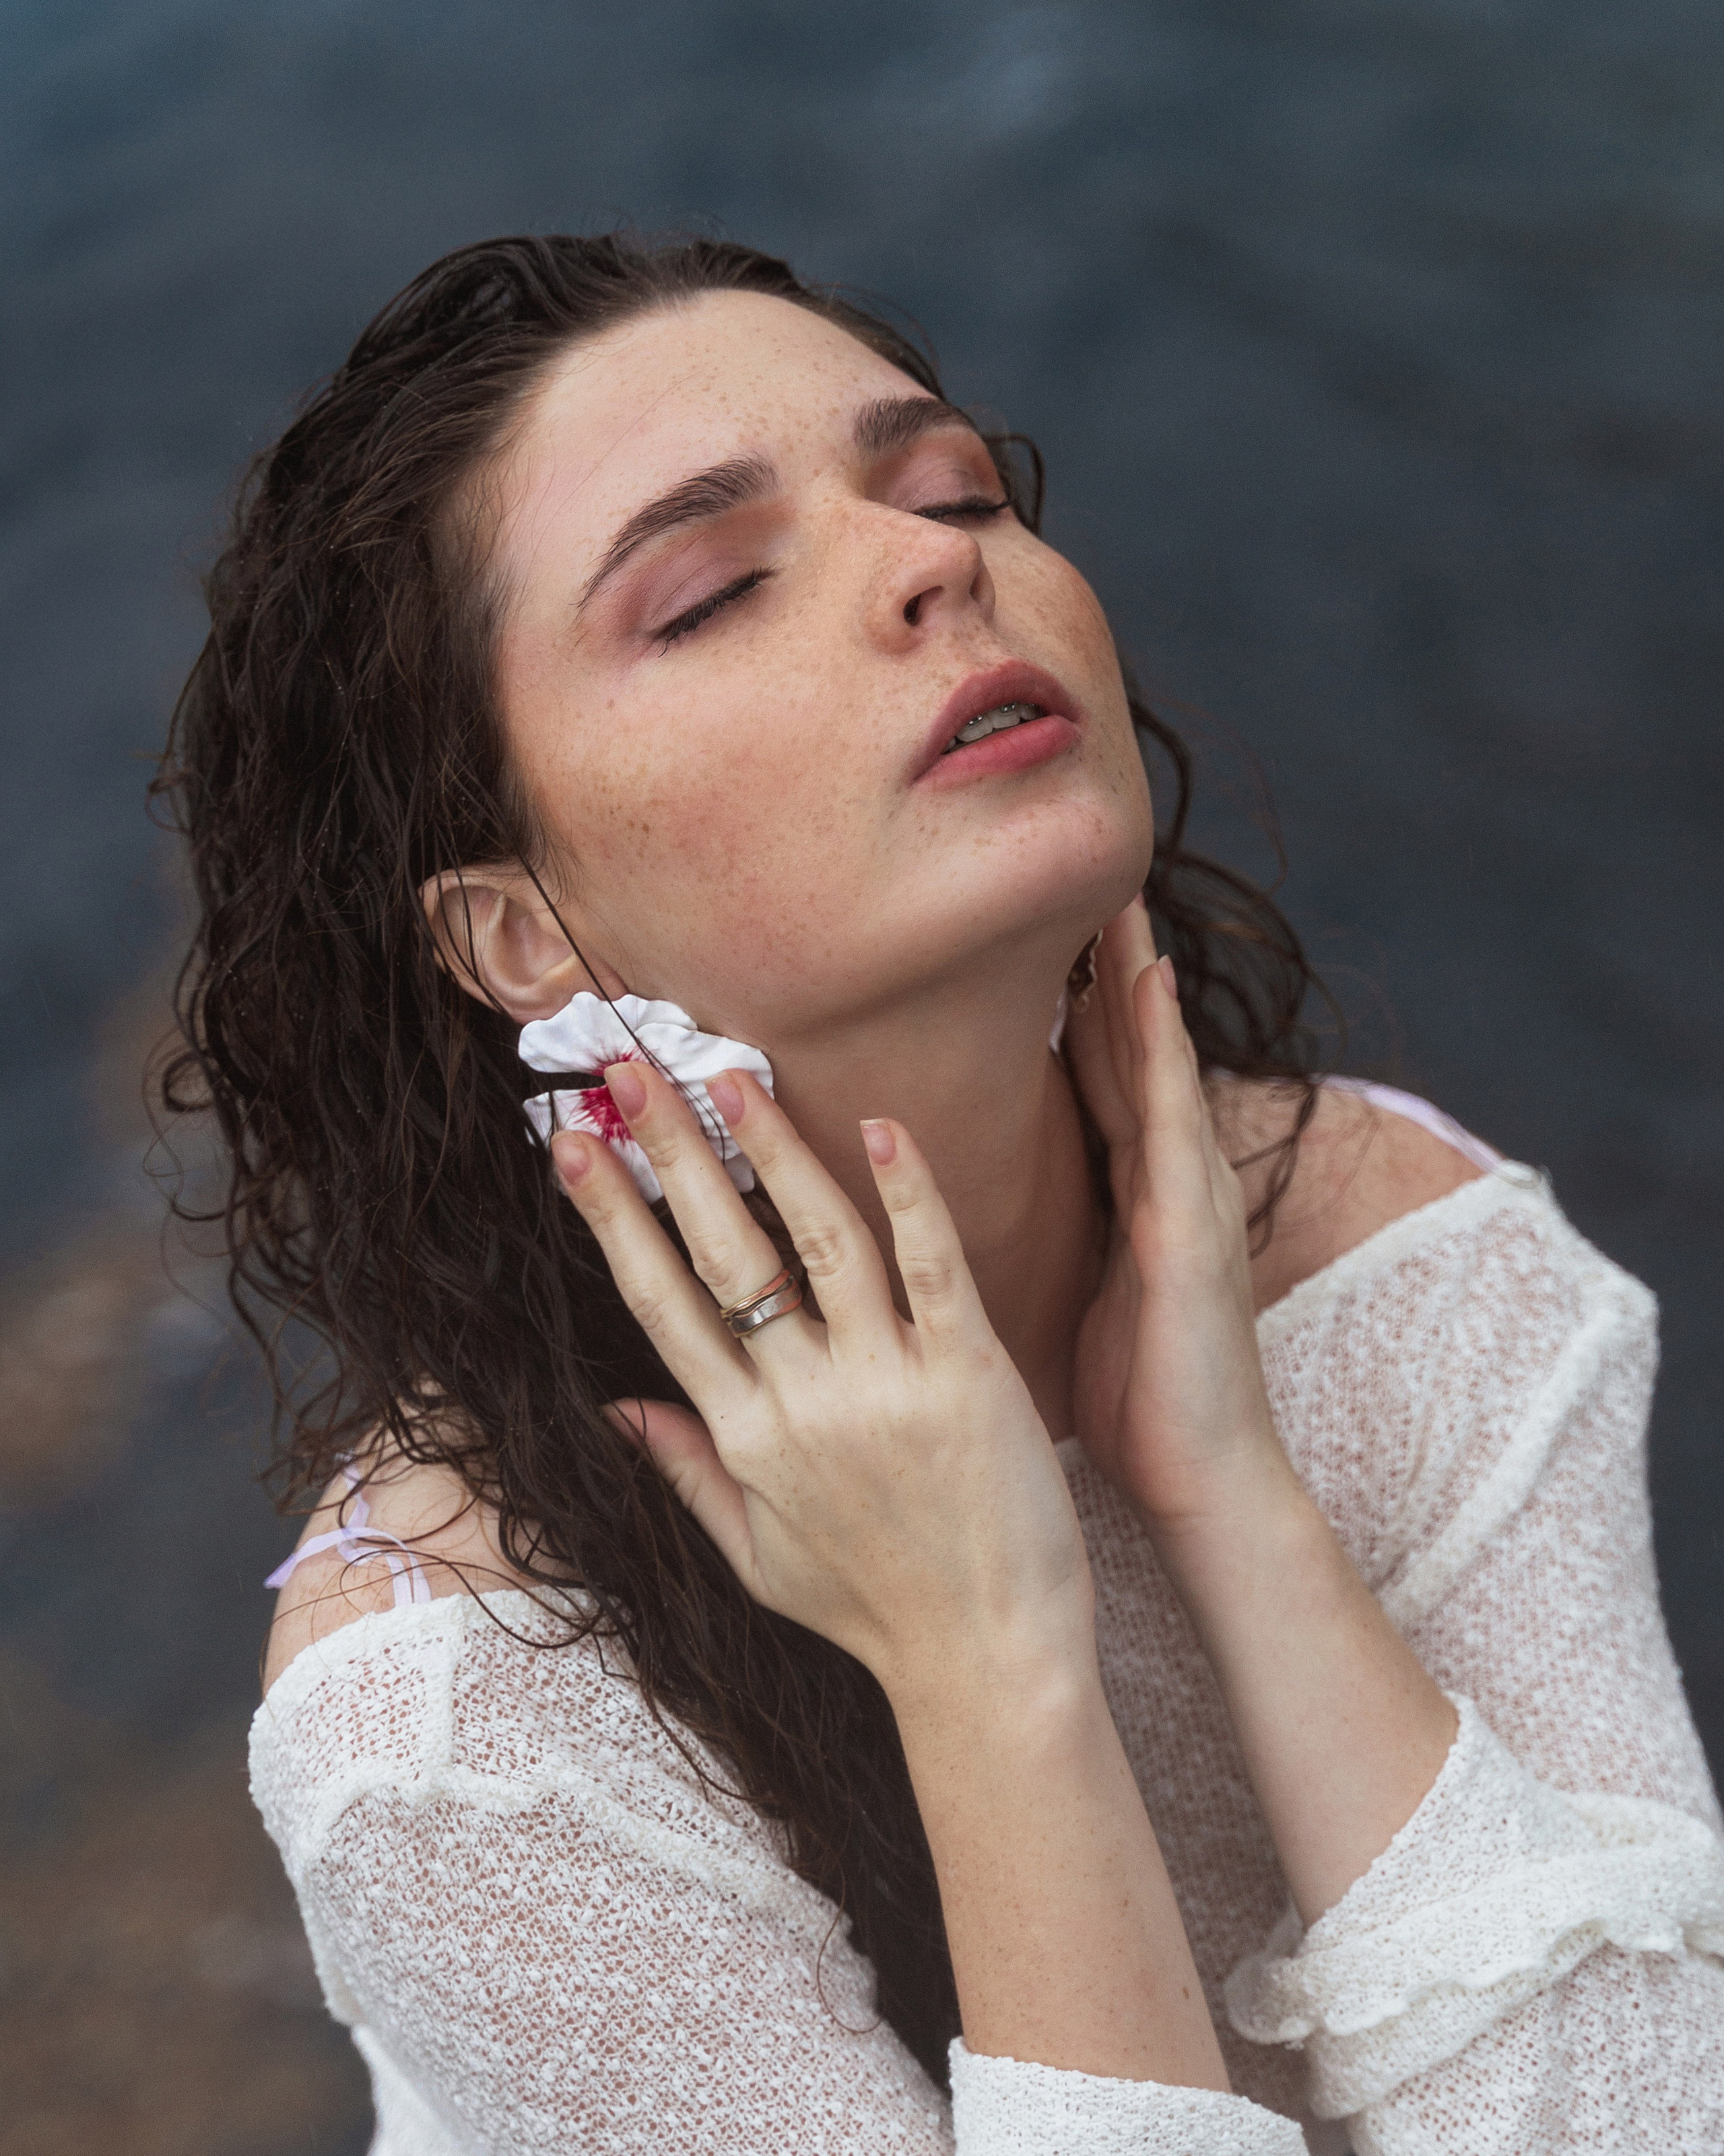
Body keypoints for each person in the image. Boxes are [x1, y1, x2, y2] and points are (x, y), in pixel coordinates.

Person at [156, 233, 1724, 2154]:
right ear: (516, 934)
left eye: (954, 489)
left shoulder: (1399, 1258)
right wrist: (983, 1659)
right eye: (715, 590)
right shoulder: (462, 1720)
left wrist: (1235, 1496)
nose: (936, 563)